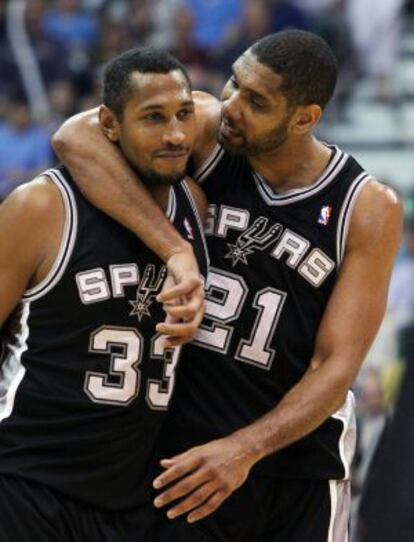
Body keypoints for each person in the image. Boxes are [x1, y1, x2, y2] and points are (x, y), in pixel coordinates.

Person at [53, 30, 403, 542]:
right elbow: (75, 137)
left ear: (304, 118)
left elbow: (335, 367)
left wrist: (244, 450)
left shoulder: (367, 207)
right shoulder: (210, 134)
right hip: (186, 457)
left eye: (256, 101)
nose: (231, 105)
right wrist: (174, 248)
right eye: (235, 83)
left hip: (295, 465)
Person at [0, 47, 208, 542]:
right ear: (109, 126)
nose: (175, 134)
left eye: (183, 115)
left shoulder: (195, 206)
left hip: (132, 501)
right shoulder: (43, 207)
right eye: (153, 118)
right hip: (26, 486)